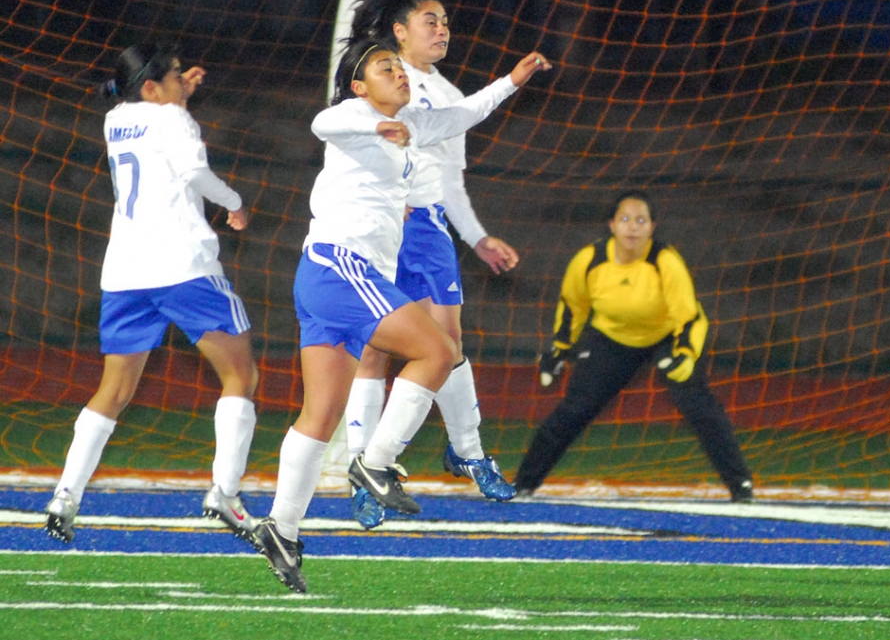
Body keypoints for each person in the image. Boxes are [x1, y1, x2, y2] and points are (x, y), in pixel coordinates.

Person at [251, 37, 550, 592]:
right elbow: (322, 123)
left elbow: (464, 113)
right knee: (439, 350)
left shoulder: (411, 122)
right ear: (362, 85)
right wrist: (374, 126)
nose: (399, 72)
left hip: (322, 277)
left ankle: (282, 527)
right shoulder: (354, 113)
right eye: (385, 67)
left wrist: (513, 80)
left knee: (319, 416)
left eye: (398, 65)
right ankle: (377, 461)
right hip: (343, 268)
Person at [44, 44, 259, 545]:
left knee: (114, 390)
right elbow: (194, 174)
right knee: (241, 373)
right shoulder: (174, 122)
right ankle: (225, 492)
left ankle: (65, 495)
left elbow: (154, 116)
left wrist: (178, 90)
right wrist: (235, 203)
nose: (185, 81)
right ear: (151, 87)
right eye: (178, 76)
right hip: (182, 264)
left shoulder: (116, 118)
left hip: (124, 270)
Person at [342, 0, 521, 531]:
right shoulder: (379, 81)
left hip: (429, 229)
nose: (441, 30)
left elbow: (450, 184)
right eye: (429, 21)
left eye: (445, 22)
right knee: (374, 353)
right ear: (398, 31)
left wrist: (478, 239)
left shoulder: (449, 95)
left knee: (448, 345)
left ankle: (466, 450)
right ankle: (366, 473)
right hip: (384, 228)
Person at [514, 192, 753, 502]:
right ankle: (522, 485)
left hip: (667, 338)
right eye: (625, 219)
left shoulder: (665, 261)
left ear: (652, 227)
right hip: (611, 340)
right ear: (612, 225)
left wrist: (686, 355)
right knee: (575, 409)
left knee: (698, 406)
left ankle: (741, 487)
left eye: (641, 220)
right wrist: (559, 349)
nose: (633, 227)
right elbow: (573, 307)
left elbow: (689, 317)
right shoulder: (589, 260)